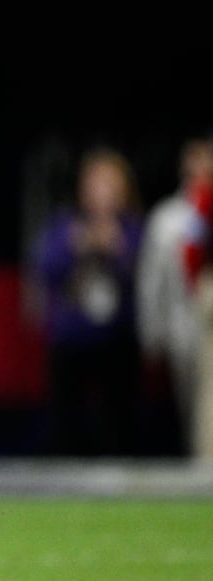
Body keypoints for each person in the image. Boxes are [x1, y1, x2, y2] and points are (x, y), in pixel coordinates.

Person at [34, 146, 144, 456]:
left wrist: (119, 250)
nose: (102, 193)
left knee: (119, 423)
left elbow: (148, 279)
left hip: (118, 339)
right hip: (72, 340)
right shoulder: (65, 226)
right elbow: (46, 268)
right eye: (95, 185)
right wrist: (77, 246)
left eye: (110, 185)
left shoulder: (134, 228)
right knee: (67, 423)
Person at [136, 137, 213, 452]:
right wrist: (152, 335)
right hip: (183, 327)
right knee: (191, 409)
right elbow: (152, 281)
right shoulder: (167, 217)